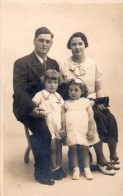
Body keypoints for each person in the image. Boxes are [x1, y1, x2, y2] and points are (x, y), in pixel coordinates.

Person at [59, 32, 120, 175]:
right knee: (97, 118)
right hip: (74, 104)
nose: (77, 47)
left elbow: (99, 86)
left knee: (110, 118)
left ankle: (113, 154)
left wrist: (99, 102)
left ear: (85, 45)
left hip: (92, 101)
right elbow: (62, 88)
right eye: (73, 44)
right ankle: (101, 158)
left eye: (80, 43)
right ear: (69, 46)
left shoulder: (93, 63)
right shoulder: (63, 64)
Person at [13, 27, 60, 185]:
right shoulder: (22, 63)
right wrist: (32, 108)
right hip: (27, 106)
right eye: (41, 40)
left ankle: (57, 166)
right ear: (34, 41)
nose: (44, 44)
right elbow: (19, 91)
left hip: (51, 105)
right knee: (43, 130)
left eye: (48, 41)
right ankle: (42, 171)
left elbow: (58, 88)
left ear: (51, 44)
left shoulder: (53, 63)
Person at [32, 69, 67, 180]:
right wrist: (37, 111)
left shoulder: (58, 96)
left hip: (58, 125)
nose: (52, 85)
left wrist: (63, 127)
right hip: (47, 125)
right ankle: (53, 168)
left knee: (59, 146)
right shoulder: (40, 95)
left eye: (55, 82)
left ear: (58, 83)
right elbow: (33, 106)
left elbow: (62, 112)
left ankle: (59, 167)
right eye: (49, 82)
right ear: (44, 82)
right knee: (52, 147)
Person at [62, 78, 99, 180]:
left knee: (84, 148)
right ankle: (76, 169)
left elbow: (91, 117)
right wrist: (63, 129)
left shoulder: (85, 102)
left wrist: (91, 130)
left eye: (76, 90)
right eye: (70, 90)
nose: (73, 92)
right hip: (72, 131)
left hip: (83, 130)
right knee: (73, 149)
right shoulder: (66, 103)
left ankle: (87, 169)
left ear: (82, 91)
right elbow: (63, 118)